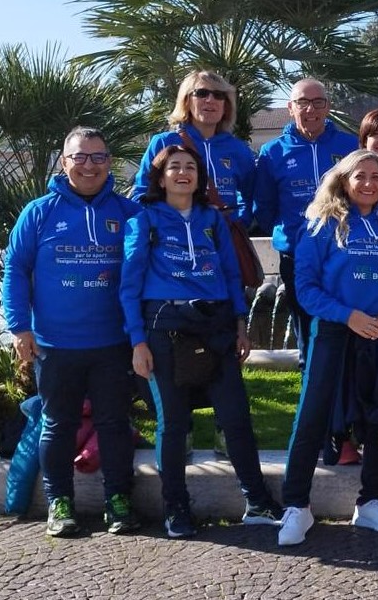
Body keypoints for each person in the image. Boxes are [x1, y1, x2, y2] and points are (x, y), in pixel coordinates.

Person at [120, 145, 281, 538]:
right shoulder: (144, 219)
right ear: (160, 178)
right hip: (165, 328)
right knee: (174, 423)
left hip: (216, 326)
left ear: (199, 177)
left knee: (235, 416)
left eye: (190, 167)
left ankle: (257, 500)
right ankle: (175, 507)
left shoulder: (212, 219)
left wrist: (240, 324)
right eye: (174, 167)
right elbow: (129, 285)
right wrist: (137, 342)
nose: (183, 173)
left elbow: (231, 275)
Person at [2, 126, 141, 537]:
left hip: (113, 342)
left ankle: (118, 500)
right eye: (79, 157)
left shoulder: (128, 213)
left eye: (98, 157)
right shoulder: (39, 212)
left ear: (109, 162)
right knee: (58, 424)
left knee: (114, 424)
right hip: (54, 344)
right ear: (64, 163)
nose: (89, 165)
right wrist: (19, 327)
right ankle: (59, 502)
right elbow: (15, 270)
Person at [277, 150, 378, 547]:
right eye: (360, 176)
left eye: (377, 177)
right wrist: (347, 315)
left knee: (377, 419)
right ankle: (296, 505)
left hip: (377, 336)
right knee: (313, 417)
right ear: (344, 180)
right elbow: (305, 289)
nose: (369, 183)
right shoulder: (322, 225)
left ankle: (370, 501)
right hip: (335, 333)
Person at [254, 78, 359, 358]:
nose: (310, 109)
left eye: (317, 102)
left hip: (343, 251)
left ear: (328, 107)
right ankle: (309, 376)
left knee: (347, 325)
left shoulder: (350, 146)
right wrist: (292, 233)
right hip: (297, 256)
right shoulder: (273, 152)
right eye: (302, 102)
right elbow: (264, 206)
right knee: (306, 329)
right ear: (290, 108)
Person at [133, 70, 255, 223]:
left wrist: (238, 223)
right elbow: (141, 194)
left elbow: (252, 197)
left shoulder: (239, 149)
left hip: (223, 235)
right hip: (173, 234)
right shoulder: (164, 142)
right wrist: (165, 225)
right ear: (187, 101)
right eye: (202, 93)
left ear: (226, 106)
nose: (210, 100)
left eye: (218, 95)